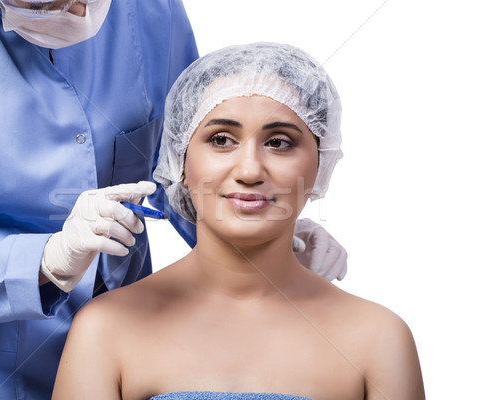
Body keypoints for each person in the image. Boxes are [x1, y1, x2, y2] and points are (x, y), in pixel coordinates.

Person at [0, 1, 346, 398]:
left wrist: (265, 240)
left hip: (141, 354)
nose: (77, 13)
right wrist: (44, 264)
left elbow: (189, 159)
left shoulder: (153, 10)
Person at [52, 42, 425, 400]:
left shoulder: (379, 339)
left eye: (279, 142)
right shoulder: (104, 330)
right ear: (180, 160)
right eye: (221, 139)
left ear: (321, 163)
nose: (249, 170)